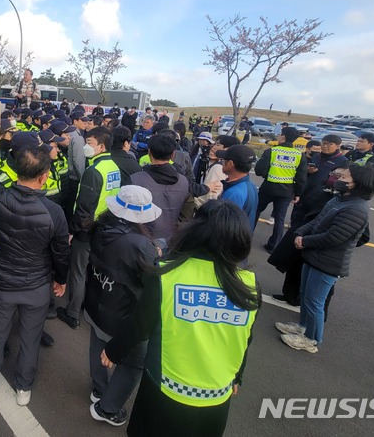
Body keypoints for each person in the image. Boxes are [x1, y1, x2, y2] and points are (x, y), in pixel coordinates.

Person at [101, 200, 261, 436]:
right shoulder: (248, 284)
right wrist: (238, 375)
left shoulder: (167, 274)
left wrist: (113, 351)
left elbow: (140, 325)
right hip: (217, 398)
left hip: (165, 391)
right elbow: (244, 338)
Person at [0, 147, 70, 412]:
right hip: (37, 286)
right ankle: (23, 388)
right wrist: (60, 279)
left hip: (3, 282)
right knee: (30, 338)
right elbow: (61, 253)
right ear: (44, 177)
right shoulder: (54, 212)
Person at [276, 164, 374, 353]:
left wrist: (305, 241)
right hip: (315, 256)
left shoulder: (356, 208)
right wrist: (300, 233)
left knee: (315, 302)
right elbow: (317, 220)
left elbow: (334, 237)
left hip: (328, 263)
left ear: (357, 184)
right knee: (306, 296)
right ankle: (302, 326)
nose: (339, 180)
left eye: (344, 179)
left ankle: (311, 340)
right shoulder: (340, 200)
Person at [84, 186, 162, 426]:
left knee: (98, 341)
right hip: (124, 314)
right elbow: (151, 285)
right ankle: (107, 408)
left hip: (97, 303)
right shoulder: (140, 245)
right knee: (134, 362)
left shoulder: (100, 228)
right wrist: (157, 256)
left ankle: (99, 388)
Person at [269, 134, 349, 306]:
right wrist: (306, 171)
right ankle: (289, 294)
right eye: (324, 143)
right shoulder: (315, 157)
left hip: (318, 212)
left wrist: (330, 179)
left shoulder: (342, 163)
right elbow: (301, 175)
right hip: (302, 207)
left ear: (338, 145)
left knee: (301, 255)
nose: (325, 146)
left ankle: (299, 297)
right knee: (292, 254)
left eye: (329, 144)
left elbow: (334, 185)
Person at [58, 127, 122, 329]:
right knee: (92, 271)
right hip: (104, 227)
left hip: (87, 230)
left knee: (78, 272)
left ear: (102, 147)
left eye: (90, 143)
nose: (86, 146)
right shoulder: (113, 167)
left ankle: (72, 313)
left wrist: (72, 231)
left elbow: (84, 208)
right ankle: (86, 305)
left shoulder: (93, 172)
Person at [131, 134, 189, 251]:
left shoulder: (135, 179)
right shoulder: (184, 181)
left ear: (149, 152)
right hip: (172, 241)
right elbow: (186, 215)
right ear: (173, 154)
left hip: (140, 242)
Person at [254, 127, 307, 253]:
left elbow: (259, 171)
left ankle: (246, 235)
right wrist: (298, 193)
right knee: (280, 218)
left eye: (279, 135)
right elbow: (301, 177)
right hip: (287, 190)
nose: (278, 137)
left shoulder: (271, 151)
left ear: (283, 137)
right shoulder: (299, 155)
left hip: (269, 187)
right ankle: (273, 246)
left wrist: (267, 173)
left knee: (256, 211)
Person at [215, 145, 259, 223]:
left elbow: (223, 225)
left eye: (223, 160)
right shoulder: (249, 185)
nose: (221, 162)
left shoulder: (234, 193)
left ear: (230, 164)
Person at [194, 134, 240, 207]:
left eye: (217, 145)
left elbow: (209, 196)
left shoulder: (218, 168)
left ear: (227, 149)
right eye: (214, 144)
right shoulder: (231, 168)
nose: (213, 148)